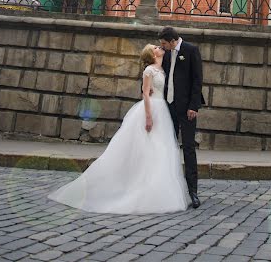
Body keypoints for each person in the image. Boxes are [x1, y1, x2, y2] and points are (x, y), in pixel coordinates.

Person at [48, 44, 190, 214]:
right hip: (151, 109)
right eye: (156, 47)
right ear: (152, 54)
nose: (160, 47)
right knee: (148, 147)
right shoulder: (149, 70)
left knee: (160, 149)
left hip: (163, 111)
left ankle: (157, 190)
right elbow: (145, 93)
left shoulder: (163, 68)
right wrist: (149, 116)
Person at [158, 27, 204, 209]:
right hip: (168, 107)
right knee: (168, 146)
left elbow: (197, 79)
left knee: (188, 148)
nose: (162, 47)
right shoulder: (166, 54)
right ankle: (168, 189)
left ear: (172, 40)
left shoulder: (191, 50)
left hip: (187, 109)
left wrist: (194, 106)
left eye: (164, 43)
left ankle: (193, 191)